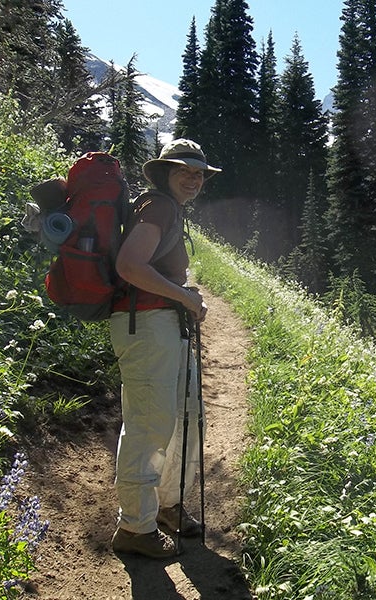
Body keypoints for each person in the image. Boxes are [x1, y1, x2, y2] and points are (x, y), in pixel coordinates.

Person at [109, 139, 220, 558]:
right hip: (145, 326)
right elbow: (129, 266)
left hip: (162, 324)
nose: (193, 179)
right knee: (150, 423)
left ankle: (168, 506)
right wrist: (185, 297)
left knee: (184, 415)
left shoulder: (167, 209)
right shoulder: (156, 207)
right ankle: (135, 527)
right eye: (183, 171)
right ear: (163, 174)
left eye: (199, 174)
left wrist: (182, 298)